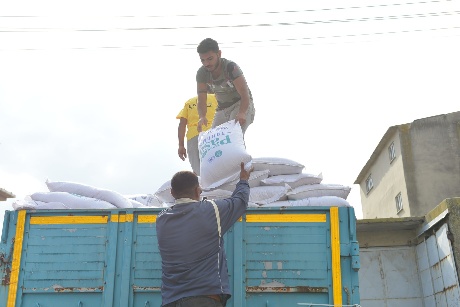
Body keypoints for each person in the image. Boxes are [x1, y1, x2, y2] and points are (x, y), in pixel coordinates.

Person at [156, 162, 254, 307]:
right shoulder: (212, 210)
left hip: (170, 301)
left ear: (171, 193)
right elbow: (239, 201)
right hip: (203, 299)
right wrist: (243, 180)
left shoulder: (161, 219)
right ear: (197, 191)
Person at [196, 38, 255, 135]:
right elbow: (201, 99)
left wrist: (242, 112)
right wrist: (202, 116)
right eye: (203, 60)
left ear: (218, 54)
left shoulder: (230, 68)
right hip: (222, 109)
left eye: (210, 59)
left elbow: (245, 93)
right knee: (214, 138)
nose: (206, 63)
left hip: (240, 104)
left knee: (233, 134)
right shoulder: (202, 73)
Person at [177, 93, 218, 175]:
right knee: (217, 163)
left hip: (193, 137)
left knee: (198, 170)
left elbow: (182, 124)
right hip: (213, 134)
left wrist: (181, 145)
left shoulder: (189, 102)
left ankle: (202, 185)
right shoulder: (216, 97)